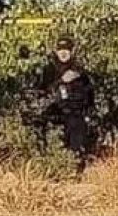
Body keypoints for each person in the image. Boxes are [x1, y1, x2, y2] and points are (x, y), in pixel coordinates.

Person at [38, 36, 94, 172]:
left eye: (67, 49)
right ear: (55, 51)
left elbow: (89, 94)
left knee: (77, 146)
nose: (63, 53)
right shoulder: (49, 70)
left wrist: (88, 114)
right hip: (56, 115)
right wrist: (61, 81)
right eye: (60, 49)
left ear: (72, 51)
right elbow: (42, 92)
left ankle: (77, 172)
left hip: (77, 115)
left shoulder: (80, 70)